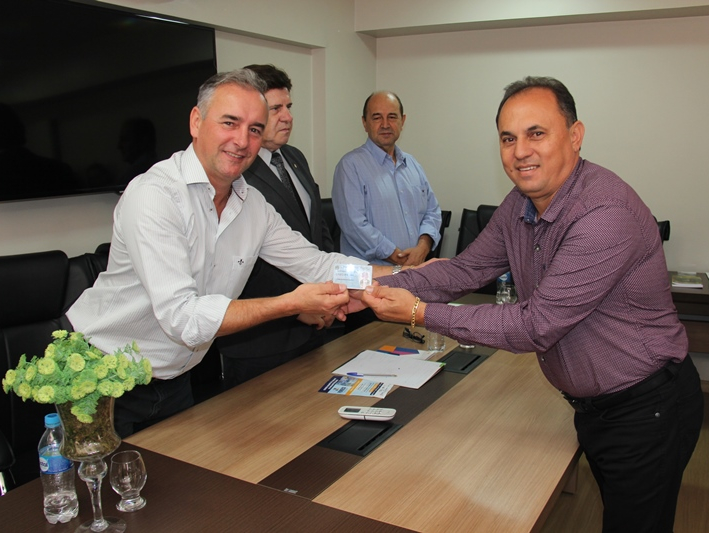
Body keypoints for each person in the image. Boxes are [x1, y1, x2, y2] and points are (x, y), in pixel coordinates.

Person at [357, 77, 704, 533]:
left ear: (575, 136)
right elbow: (465, 270)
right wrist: (375, 287)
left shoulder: (604, 214)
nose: (520, 151)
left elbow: (535, 325)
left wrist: (418, 312)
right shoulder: (520, 203)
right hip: (596, 406)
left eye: (536, 133)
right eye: (508, 138)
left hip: (645, 407)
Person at [67, 69, 392, 437]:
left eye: (254, 129)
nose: (242, 140)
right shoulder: (155, 195)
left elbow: (318, 264)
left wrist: (406, 277)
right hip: (99, 374)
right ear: (196, 121)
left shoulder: (253, 205)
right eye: (230, 123)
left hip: (173, 378)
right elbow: (183, 317)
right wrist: (289, 303)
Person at [215, 64, 337, 388]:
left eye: (289, 107)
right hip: (260, 338)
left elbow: (317, 231)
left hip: (314, 323)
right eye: (276, 109)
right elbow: (242, 263)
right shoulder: (237, 170)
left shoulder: (295, 157)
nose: (288, 117)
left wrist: (327, 291)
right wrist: (297, 305)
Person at [332, 91, 442, 267]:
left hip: (413, 271)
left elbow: (432, 211)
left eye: (392, 117)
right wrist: (398, 257)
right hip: (370, 277)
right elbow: (354, 225)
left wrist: (423, 248)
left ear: (402, 121)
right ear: (364, 123)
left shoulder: (413, 164)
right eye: (377, 118)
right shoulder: (350, 166)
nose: (385, 124)